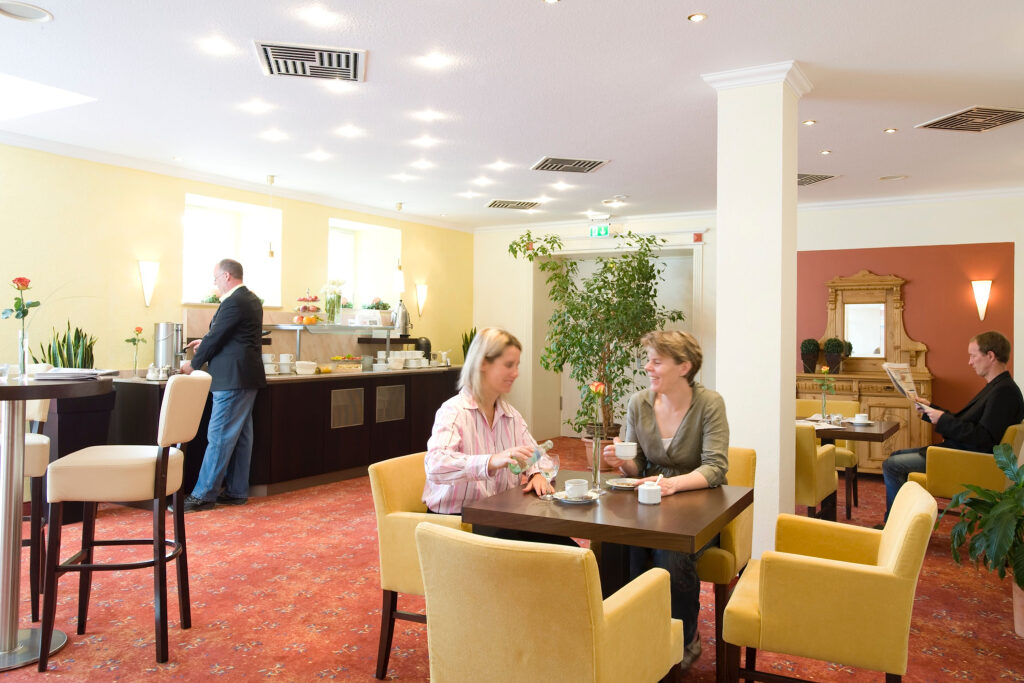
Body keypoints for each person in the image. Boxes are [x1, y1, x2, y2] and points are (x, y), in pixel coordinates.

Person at [602, 330, 729, 671]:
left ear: (684, 367)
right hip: (649, 501)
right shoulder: (638, 403)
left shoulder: (710, 404)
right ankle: (630, 632)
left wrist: (671, 485)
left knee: (670, 550)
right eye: (649, 360)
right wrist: (620, 462)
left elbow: (715, 467)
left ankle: (684, 637)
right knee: (616, 542)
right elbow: (637, 465)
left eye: (657, 361)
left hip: (699, 505)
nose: (647, 367)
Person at [423, 327, 572, 545]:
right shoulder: (453, 412)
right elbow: (435, 465)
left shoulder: (511, 415)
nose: (516, 373)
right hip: (458, 524)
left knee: (572, 553)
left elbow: (539, 456)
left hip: (500, 518)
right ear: (483, 363)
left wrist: (536, 474)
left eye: (517, 365)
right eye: (509, 365)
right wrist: (491, 461)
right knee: (557, 555)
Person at [881, 330, 1024, 521]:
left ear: (990, 356)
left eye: (973, 356)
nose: (970, 362)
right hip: (961, 453)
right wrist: (931, 409)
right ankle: (906, 521)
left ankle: (895, 523)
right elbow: (966, 422)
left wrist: (942, 419)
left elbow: (984, 439)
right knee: (895, 456)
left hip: (966, 460)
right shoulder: (998, 387)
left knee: (892, 465)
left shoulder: (1004, 392)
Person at [179, 259, 266, 512]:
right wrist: (204, 342)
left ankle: (203, 495)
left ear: (227, 276)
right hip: (245, 376)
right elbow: (229, 335)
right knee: (241, 437)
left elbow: (217, 335)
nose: (215, 284)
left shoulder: (234, 301)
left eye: (216, 278)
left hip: (232, 379)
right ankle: (236, 491)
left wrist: (194, 364)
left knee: (219, 436)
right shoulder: (250, 299)